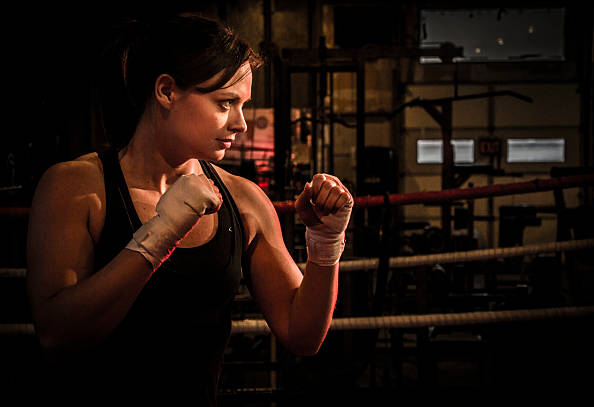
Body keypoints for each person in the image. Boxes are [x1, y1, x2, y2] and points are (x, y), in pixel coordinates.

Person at [25, 14, 353, 405]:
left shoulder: (243, 199)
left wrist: (326, 243)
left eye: (243, 105)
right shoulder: (77, 187)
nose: (241, 124)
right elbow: (57, 333)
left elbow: (301, 334)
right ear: (166, 91)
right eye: (225, 103)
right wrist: (158, 235)